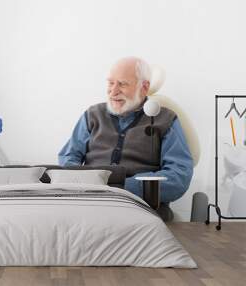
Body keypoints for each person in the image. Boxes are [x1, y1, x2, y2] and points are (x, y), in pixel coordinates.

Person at [58, 57, 193, 217]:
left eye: (122, 84)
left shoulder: (166, 120)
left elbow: (178, 177)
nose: (113, 91)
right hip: (90, 203)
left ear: (144, 87)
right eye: (110, 83)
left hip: (141, 209)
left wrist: (120, 187)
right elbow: (69, 157)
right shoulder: (93, 115)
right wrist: (85, 182)